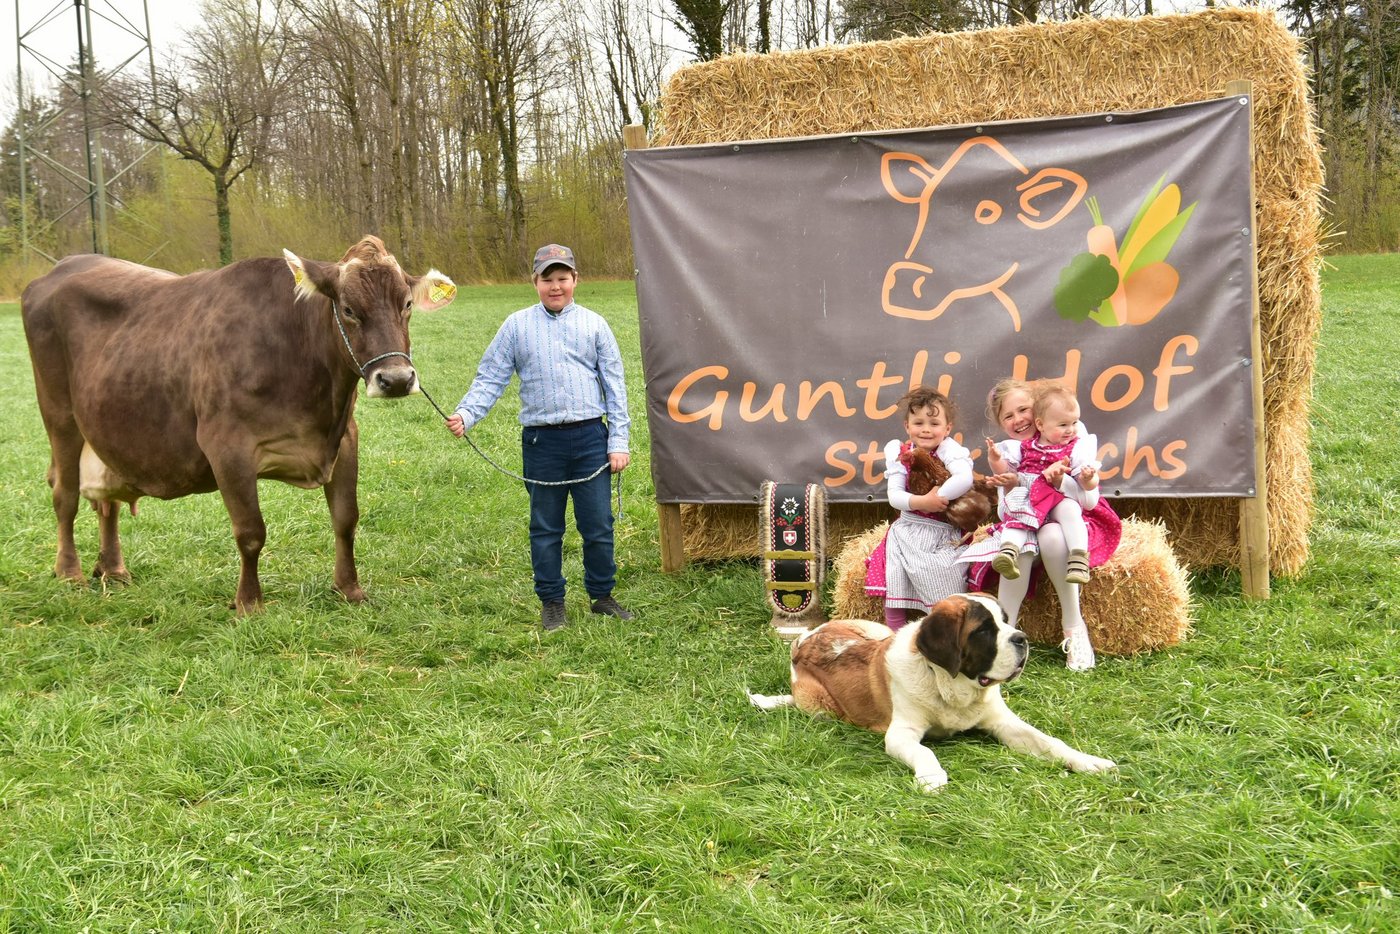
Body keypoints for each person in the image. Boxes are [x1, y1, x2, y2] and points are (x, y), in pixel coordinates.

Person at [445, 244, 633, 632]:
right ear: (535, 282)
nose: (555, 286)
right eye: (547, 279)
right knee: (546, 527)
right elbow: (490, 377)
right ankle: (552, 601)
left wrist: (618, 441)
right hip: (541, 443)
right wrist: (467, 414)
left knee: (598, 524)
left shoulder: (596, 325)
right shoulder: (516, 326)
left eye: (563, 278)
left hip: (590, 439)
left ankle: (602, 595)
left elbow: (616, 387)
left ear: (576, 280)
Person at [965, 379, 1122, 670]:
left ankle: (1074, 627)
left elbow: (1088, 501)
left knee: (1052, 536)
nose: (1019, 420)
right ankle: (1002, 634)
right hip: (1026, 522)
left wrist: (1060, 481)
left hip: (1068, 519)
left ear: (1037, 411)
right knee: (1020, 549)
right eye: (1008, 416)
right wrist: (1014, 485)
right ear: (1000, 423)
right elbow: (1004, 511)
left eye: (1023, 409)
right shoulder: (1011, 451)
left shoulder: (1068, 433)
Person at [863, 386, 973, 630]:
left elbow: (965, 478)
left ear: (947, 428)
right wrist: (923, 502)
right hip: (910, 525)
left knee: (946, 571)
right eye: (918, 422)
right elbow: (895, 496)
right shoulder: (902, 453)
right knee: (896, 570)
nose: (925, 429)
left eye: (934, 423)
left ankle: (946, 628)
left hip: (943, 529)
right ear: (907, 426)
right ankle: (894, 631)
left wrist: (939, 498)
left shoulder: (949, 451)